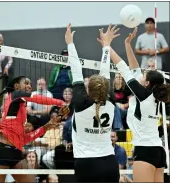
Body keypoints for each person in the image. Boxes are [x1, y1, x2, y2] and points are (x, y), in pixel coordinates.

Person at [103, 26, 170, 182]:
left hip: (145, 151)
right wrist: (127, 45)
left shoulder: (143, 95)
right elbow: (134, 68)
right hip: (158, 151)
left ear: (146, 83)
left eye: (144, 73)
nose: (140, 72)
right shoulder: (155, 96)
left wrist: (107, 46)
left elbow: (124, 68)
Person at [0, 76, 69, 183]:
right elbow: (37, 98)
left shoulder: (21, 112)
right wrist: (61, 103)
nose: (29, 86)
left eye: (30, 84)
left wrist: (46, 126)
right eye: (26, 83)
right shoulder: (15, 95)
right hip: (1, 151)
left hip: (15, 152)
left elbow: (24, 139)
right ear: (16, 86)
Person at [65, 23, 120, 182]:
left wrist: (70, 43)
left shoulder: (80, 104)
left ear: (88, 89)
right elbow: (105, 72)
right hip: (110, 163)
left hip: (86, 165)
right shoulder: (110, 102)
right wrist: (106, 46)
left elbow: (76, 69)